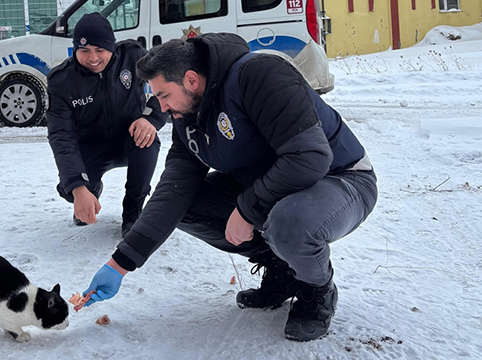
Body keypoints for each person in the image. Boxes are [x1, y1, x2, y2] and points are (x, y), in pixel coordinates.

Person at [81, 33, 378, 342]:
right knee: (186, 205)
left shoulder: (259, 74)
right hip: (277, 189)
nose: (162, 108)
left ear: (192, 79)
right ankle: (283, 270)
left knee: (289, 223)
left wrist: (248, 210)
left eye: (164, 95)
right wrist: (120, 264)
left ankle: (317, 290)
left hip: (341, 179)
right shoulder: (188, 117)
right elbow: (174, 191)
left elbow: (311, 157)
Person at [46, 13, 167, 237]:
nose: (93, 58)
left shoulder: (133, 56)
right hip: (91, 147)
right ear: (75, 50)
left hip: (130, 137)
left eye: (100, 50)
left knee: (148, 142)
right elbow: (61, 136)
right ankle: (91, 191)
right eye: (84, 51)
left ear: (111, 47)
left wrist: (150, 118)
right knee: (70, 188)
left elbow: (168, 85)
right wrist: (78, 187)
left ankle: (133, 210)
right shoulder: (61, 81)